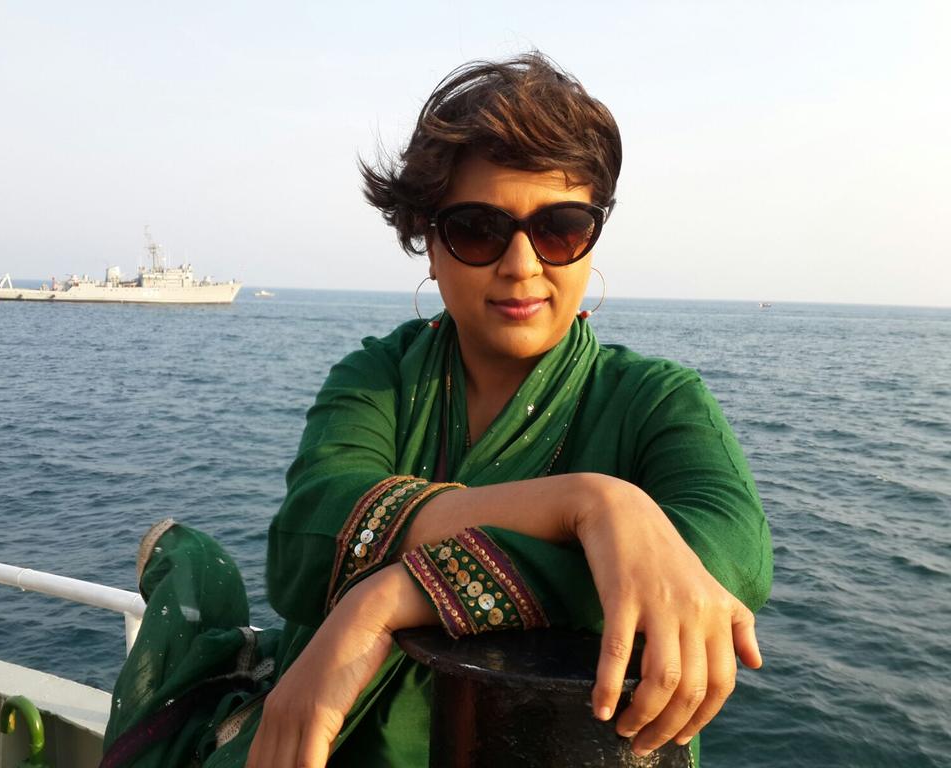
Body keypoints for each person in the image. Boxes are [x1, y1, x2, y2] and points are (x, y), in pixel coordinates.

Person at [101, 52, 772, 768]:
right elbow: (309, 537)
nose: (521, 265)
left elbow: (725, 558)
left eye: (560, 228)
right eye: (478, 229)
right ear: (428, 243)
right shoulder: (379, 380)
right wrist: (588, 506)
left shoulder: (656, 401)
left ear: (592, 240)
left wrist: (398, 593)